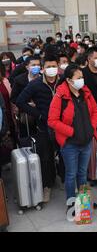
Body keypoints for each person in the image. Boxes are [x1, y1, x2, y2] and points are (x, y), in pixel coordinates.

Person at [47, 64, 97, 212]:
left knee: (82, 173)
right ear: (69, 80)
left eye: (82, 77)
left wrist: (91, 128)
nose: (82, 80)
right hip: (70, 144)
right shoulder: (60, 96)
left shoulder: (86, 93)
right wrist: (71, 131)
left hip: (86, 142)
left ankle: (83, 202)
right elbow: (52, 120)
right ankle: (71, 203)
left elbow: (95, 112)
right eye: (79, 78)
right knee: (71, 174)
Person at [16, 54, 60, 202]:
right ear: (42, 69)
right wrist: (39, 115)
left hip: (62, 126)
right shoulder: (35, 84)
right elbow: (20, 101)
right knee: (46, 158)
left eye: (54, 66)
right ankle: (46, 187)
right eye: (48, 67)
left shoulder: (63, 82)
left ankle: (68, 184)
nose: (51, 69)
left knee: (64, 155)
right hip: (44, 127)